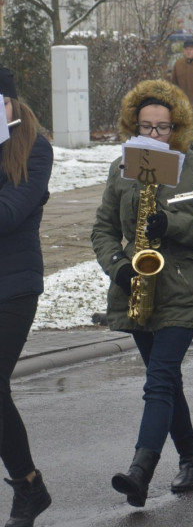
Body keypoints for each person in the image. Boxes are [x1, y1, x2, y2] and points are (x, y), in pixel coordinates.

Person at [91, 80, 193, 507]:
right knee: (167, 382)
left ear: (177, 128)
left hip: (181, 289)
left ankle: (140, 472)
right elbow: (104, 229)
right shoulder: (120, 168)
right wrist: (120, 268)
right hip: (137, 289)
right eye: (145, 127)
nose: (153, 135)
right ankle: (191, 457)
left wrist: (173, 224)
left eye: (162, 128)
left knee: (159, 379)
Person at [0, 67, 53, 527]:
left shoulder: (34, 148)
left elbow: (8, 213)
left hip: (12, 286)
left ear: (11, 105)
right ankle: (30, 486)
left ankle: (27, 486)